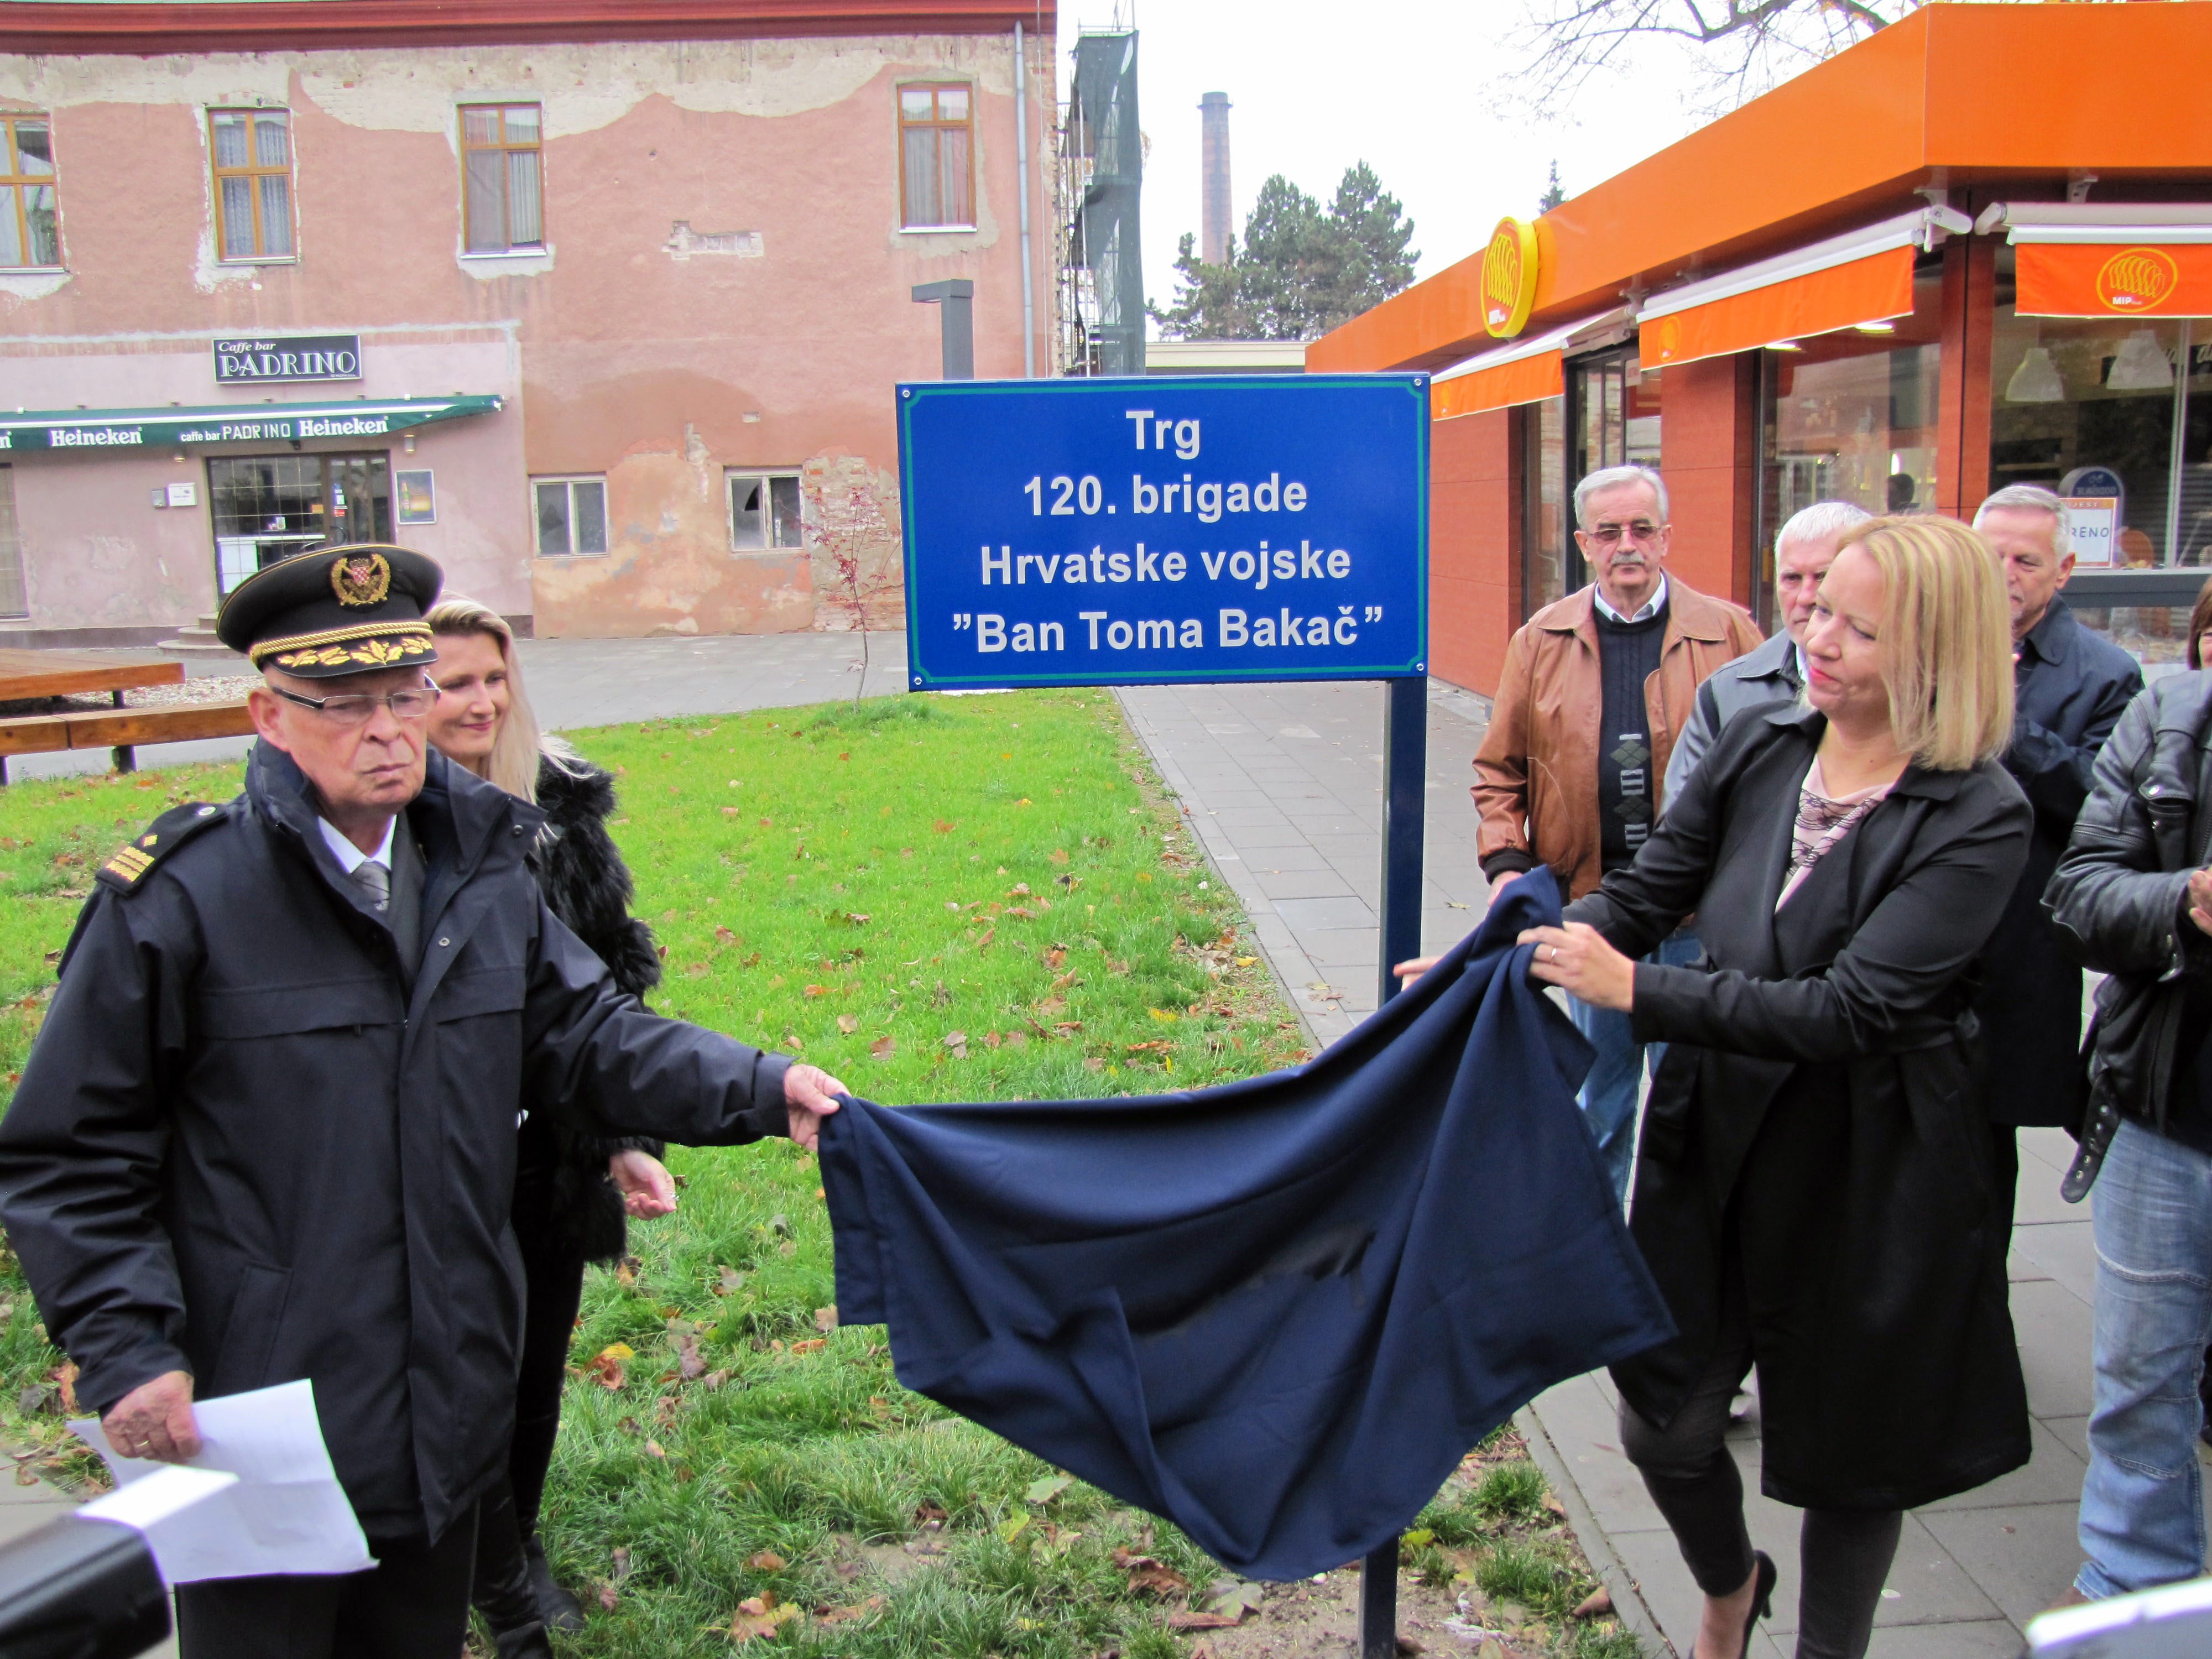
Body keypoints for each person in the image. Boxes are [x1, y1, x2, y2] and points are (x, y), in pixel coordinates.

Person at [0, 545, 848, 1659]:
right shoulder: (181, 901)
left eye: (406, 696)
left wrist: (757, 1084)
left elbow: (588, 1037)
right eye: (345, 706)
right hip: (260, 1417)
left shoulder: (481, 871)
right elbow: (72, 1151)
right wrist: (126, 1348)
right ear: (268, 713)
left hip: (446, 1401)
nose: (388, 729)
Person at [1517, 515, 2032, 1659]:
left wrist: (1636, 993)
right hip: (1716, 1136)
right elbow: (1648, 891)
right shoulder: (1764, 742)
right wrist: (1515, 955)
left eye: (1857, 624)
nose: (1816, 635)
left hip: (1870, 1165)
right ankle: (1728, 1581)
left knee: (1855, 1457)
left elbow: (1854, 1010)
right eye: (1813, 608)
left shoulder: (1977, 812)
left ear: (1935, 653)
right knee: (1665, 1424)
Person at [422, 597, 672, 1653]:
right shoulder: (385, 822)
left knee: (534, 1361)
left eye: (494, 679)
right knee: (442, 1366)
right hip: (432, 1150)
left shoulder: (557, 802)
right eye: (451, 684)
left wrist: (625, 1135)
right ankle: (439, 1553)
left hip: (550, 1143)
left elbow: (613, 975)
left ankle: (515, 1545)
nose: (480, 703)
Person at [1461, 462, 1764, 1201]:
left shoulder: (1728, 634)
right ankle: (1601, 1273)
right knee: (1602, 1101)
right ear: (1583, 543)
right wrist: (1508, 867)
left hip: (1703, 915)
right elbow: (1499, 770)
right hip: (1594, 911)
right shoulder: (1541, 639)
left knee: (1692, 1103)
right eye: (1608, 532)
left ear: (1667, 536)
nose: (1626, 545)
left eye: (1640, 529)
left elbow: (1774, 764)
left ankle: (1682, 1262)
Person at [2044, 624, 2212, 1604]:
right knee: (2143, 1382)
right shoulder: (2169, 718)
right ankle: (2130, 1591)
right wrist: (2183, 900)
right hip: (2168, 1112)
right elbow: (2079, 896)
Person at [1969, 484, 2142, 1230]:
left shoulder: (2105, 674)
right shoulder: (1923, 641)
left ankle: (1977, 1323)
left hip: (2019, 944)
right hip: (1917, 930)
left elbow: (2100, 805)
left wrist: (1998, 710)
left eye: (2025, 560)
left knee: (1986, 1145)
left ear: (2065, 570)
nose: (2004, 572)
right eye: (1991, 555)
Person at [1662, 501, 1871, 805]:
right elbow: (1680, 828)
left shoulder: (1910, 690)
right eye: (1792, 579)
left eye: (1823, 577)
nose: (1806, 597)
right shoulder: (1726, 693)